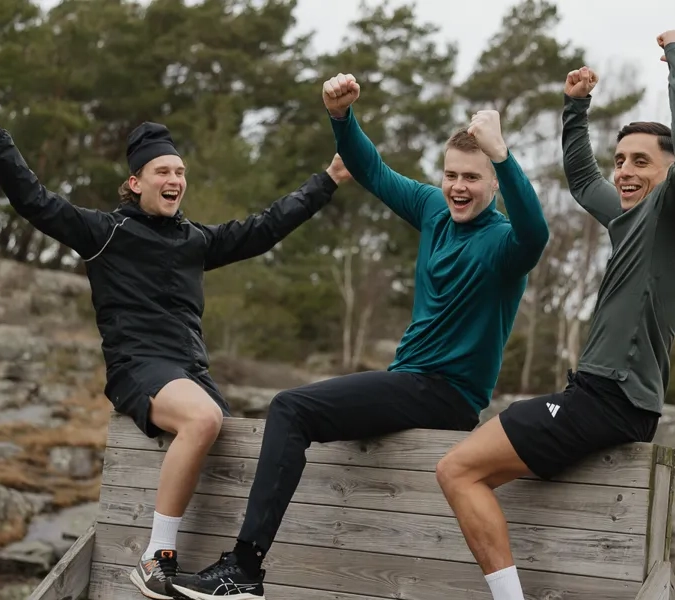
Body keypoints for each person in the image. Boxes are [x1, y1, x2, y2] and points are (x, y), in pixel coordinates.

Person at [166, 72, 549, 600]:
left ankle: (245, 569)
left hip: (447, 393)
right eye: (450, 175)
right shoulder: (435, 211)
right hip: (408, 383)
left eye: (473, 178)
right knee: (301, 411)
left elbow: (538, 232)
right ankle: (243, 569)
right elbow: (372, 170)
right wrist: (342, 116)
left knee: (290, 409)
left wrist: (503, 154)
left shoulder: (507, 245)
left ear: (494, 184)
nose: (458, 187)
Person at [0, 121, 352, 599]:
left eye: (180, 171)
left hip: (191, 372)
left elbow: (264, 228)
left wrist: (326, 180)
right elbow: (34, 200)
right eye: (162, 170)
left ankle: (226, 577)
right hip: (137, 368)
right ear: (135, 182)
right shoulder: (104, 232)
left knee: (246, 447)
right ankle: (155, 557)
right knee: (204, 418)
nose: (175, 180)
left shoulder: (195, 240)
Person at [434, 31, 675, 600]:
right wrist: (575, 110)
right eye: (622, 161)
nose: (625, 172)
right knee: (467, 467)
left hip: (610, 397)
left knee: (457, 470)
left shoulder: (665, 218)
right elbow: (583, 180)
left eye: (642, 161)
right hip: (603, 394)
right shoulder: (629, 218)